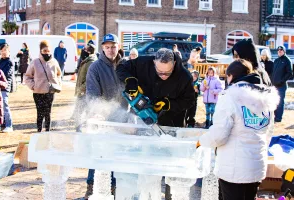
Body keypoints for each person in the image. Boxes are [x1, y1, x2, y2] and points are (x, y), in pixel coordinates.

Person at [116, 48, 195, 199]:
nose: (164, 76)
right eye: (160, 72)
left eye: (168, 73)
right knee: (145, 164)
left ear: (174, 64)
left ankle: (170, 196)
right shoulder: (143, 63)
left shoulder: (184, 76)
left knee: (171, 168)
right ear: (154, 63)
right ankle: (144, 194)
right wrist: (130, 80)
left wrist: (168, 104)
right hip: (142, 124)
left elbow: (190, 100)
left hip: (170, 125)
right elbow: (121, 67)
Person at [197, 59, 279, 200]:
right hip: (257, 165)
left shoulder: (230, 98)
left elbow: (219, 135)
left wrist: (201, 141)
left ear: (231, 76)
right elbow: (269, 132)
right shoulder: (266, 99)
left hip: (233, 168)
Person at [85, 33, 124, 199]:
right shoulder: (95, 67)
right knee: (99, 152)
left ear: (118, 47)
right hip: (102, 118)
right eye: (107, 47)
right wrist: (99, 112)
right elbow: (92, 95)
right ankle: (91, 185)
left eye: (113, 46)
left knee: (118, 153)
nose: (110, 50)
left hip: (123, 119)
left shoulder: (126, 65)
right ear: (102, 48)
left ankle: (115, 186)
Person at [25, 40, 62, 132]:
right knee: (40, 113)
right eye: (45, 51)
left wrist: (58, 84)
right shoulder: (35, 62)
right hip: (38, 92)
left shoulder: (54, 62)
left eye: (48, 51)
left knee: (48, 112)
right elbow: (27, 77)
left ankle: (47, 131)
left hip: (50, 91)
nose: (47, 52)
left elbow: (59, 74)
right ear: (41, 51)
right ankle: (39, 131)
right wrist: (33, 86)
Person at [74, 43, 97, 132]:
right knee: (80, 112)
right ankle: (81, 130)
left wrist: (81, 89)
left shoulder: (91, 62)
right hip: (82, 91)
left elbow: (90, 79)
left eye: (85, 49)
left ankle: (82, 131)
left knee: (82, 112)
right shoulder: (87, 60)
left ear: (89, 51)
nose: (83, 51)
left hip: (85, 92)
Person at [272, 45, 293, 122]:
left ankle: (278, 118)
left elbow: (289, 73)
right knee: (274, 101)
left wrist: (281, 81)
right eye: (278, 50)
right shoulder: (276, 60)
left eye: (281, 50)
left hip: (281, 86)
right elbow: (273, 72)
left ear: (284, 51)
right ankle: (274, 116)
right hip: (274, 85)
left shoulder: (287, 60)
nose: (279, 51)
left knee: (280, 102)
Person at [0, 44, 14, 133]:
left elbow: (5, 74)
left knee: (5, 106)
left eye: (5, 50)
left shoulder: (9, 62)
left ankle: (9, 125)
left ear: (8, 51)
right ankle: (1, 124)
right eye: (1, 51)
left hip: (4, 87)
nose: (3, 52)